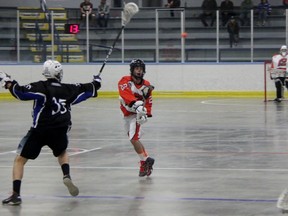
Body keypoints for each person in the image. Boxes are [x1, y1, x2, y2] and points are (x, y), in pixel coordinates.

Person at [0, 60, 102, 205]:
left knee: (19, 160)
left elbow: (20, 92)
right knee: (62, 152)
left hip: (39, 130)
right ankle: (66, 174)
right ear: (59, 73)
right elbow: (87, 89)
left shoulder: (40, 87)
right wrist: (96, 82)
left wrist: (8, 82)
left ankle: (16, 194)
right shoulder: (68, 88)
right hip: (59, 130)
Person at [117, 59, 155, 177]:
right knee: (134, 138)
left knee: (133, 139)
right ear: (132, 70)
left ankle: (144, 161)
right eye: (137, 68)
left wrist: (147, 112)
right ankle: (146, 160)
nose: (139, 71)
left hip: (137, 114)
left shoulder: (146, 84)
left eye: (141, 69)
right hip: (127, 114)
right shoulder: (125, 81)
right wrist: (135, 103)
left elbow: (148, 99)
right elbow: (124, 93)